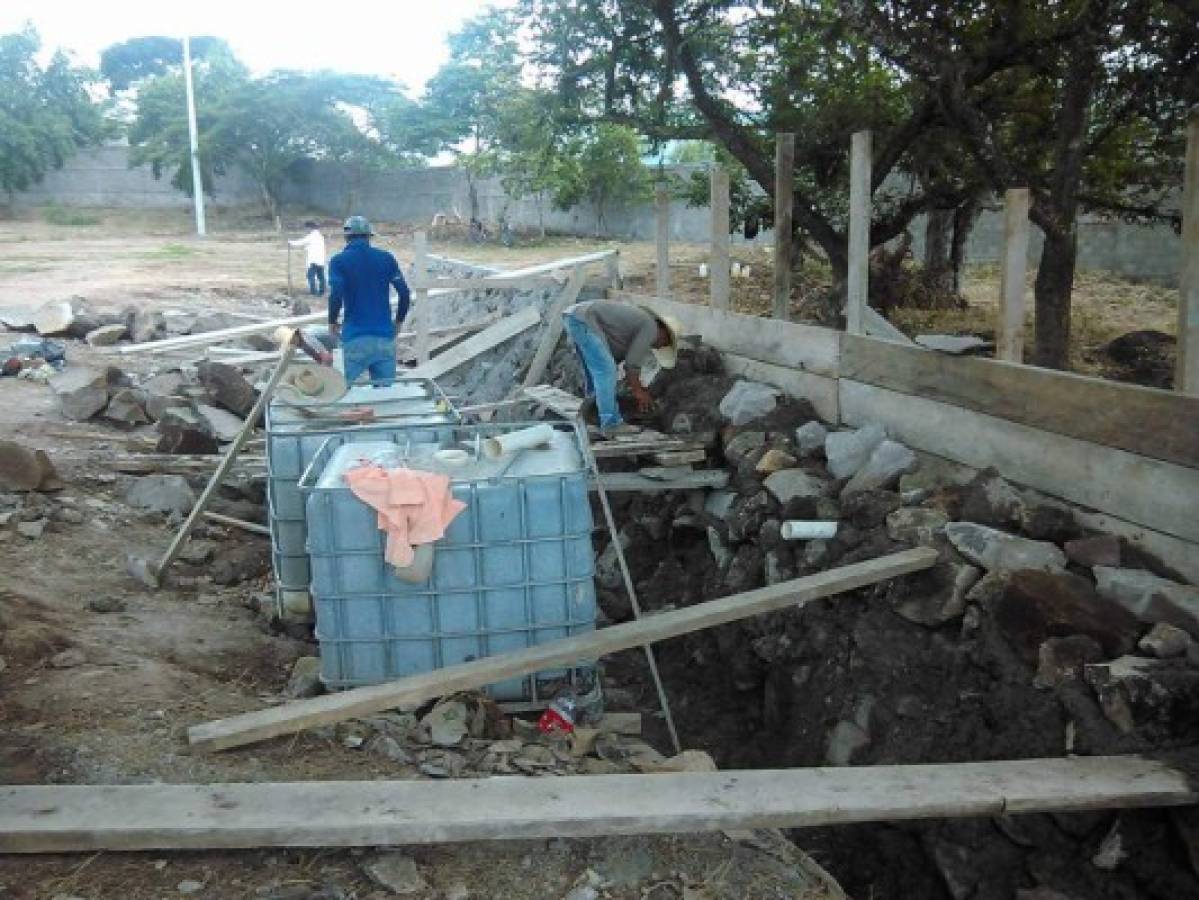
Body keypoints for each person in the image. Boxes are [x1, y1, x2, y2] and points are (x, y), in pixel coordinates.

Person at [562, 300, 680, 437]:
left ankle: (592, 414)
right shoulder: (651, 328)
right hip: (584, 319)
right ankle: (611, 424)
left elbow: (620, 359)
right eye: (665, 344)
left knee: (598, 371)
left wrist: (636, 385)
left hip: (575, 317)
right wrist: (638, 392)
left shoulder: (640, 324)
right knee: (606, 371)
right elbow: (631, 364)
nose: (660, 347)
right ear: (664, 332)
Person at [327, 216, 411, 387]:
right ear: (369, 236)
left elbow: (336, 293)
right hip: (384, 339)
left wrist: (332, 321)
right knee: (385, 396)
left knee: (342, 393)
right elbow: (404, 293)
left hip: (354, 338)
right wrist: (399, 321)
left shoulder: (339, 261)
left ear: (346, 237)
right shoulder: (386, 259)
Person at [288, 220, 327, 296]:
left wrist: (290, 242)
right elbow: (309, 246)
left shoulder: (312, 236)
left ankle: (313, 292)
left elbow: (301, 242)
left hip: (313, 260)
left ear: (309, 228)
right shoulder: (320, 236)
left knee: (310, 276)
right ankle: (322, 291)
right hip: (321, 259)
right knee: (321, 276)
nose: (306, 230)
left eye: (306, 228)